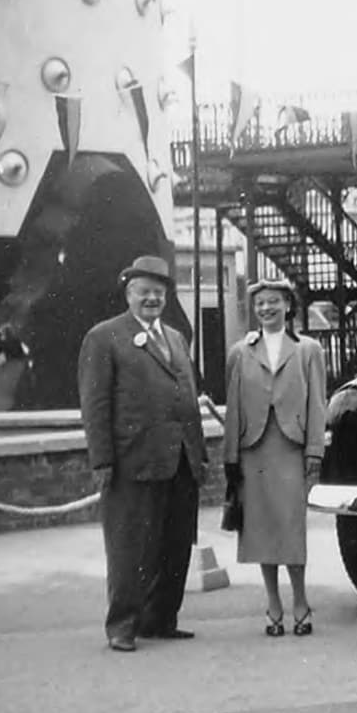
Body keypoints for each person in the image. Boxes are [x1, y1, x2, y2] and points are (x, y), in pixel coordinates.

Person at [78, 255, 207, 653]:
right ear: (128, 294)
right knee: (129, 546)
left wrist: (199, 455)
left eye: (158, 292)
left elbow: (187, 400)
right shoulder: (104, 337)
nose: (151, 298)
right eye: (143, 291)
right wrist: (102, 460)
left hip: (181, 460)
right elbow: (95, 404)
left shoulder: (176, 338)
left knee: (174, 544)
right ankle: (122, 625)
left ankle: (161, 620)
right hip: (134, 460)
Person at [223, 278, 327, 638]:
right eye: (260, 304)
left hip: (291, 447)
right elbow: (233, 408)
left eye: (273, 302)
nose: (266, 309)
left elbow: (317, 403)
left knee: (290, 527)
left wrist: (315, 450)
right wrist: (230, 458)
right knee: (261, 528)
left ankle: (300, 601)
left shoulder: (308, 350)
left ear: (288, 306)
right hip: (253, 450)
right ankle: (273, 605)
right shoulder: (240, 351)